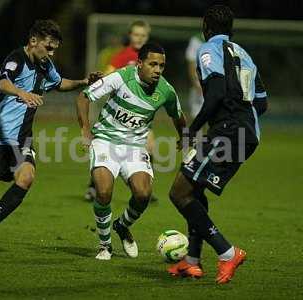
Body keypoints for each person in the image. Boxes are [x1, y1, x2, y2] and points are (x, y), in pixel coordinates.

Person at [0, 20, 102, 252]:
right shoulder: (16, 59)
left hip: (21, 138)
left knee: (26, 177)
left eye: (54, 49)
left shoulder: (44, 64)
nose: (51, 53)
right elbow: (3, 82)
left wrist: (82, 82)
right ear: (33, 41)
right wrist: (22, 93)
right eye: (48, 47)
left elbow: (59, 83)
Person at [167, 5, 268, 284]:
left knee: (179, 192)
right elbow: (262, 102)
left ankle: (227, 252)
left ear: (205, 26)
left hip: (227, 131)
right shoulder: (244, 54)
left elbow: (215, 95)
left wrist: (192, 131)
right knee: (194, 188)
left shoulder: (208, 49)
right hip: (247, 133)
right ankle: (192, 262)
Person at [77, 43, 187, 260]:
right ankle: (105, 245)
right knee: (104, 191)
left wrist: (184, 136)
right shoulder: (121, 77)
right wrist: (86, 131)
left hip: (135, 146)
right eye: (152, 64)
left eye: (161, 66)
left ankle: (122, 225)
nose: (157, 69)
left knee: (143, 194)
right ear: (139, 64)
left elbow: (178, 115)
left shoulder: (166, 90)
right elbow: (84, 97)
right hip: (105, 141)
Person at [85, 20, 159, 203]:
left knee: (150, 146)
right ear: (130, 35)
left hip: (140, 116)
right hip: (119, 115)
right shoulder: (123, 56)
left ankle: (146, 187)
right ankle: (94, 187)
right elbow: (109, 75)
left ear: (147, 37)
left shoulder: (152, 59)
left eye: (143, 35)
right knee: (108, 149)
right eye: (136, 34)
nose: (139, 38)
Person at [185, 34, 204, 118]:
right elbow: (191, 64)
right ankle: (186, 131)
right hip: (199, 83)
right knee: (194, 115)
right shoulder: (196, 40)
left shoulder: (221, 40)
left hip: (214, 84)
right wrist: (196, 84)